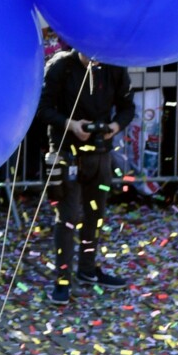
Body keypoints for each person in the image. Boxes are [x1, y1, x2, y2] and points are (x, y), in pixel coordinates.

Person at [38, 46, 135, 303]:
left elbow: (128, 107)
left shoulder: (114, 66)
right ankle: (62, 279)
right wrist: (70, 125)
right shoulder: (61, 66)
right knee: (67, 218)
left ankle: (88, 269)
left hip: (100, 156)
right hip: (66, 154)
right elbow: (42, 108)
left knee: (95, 214)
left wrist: (114, 127)